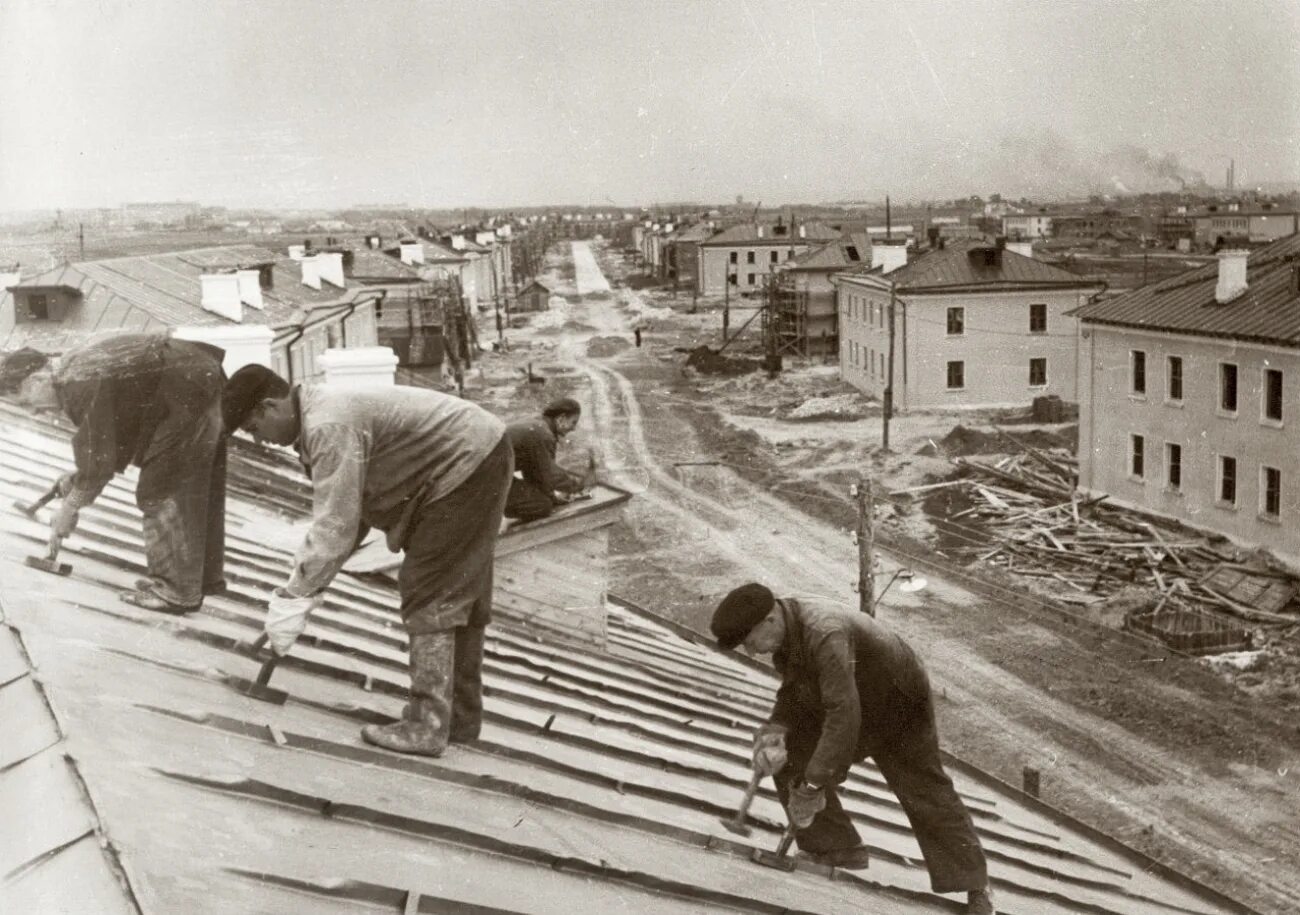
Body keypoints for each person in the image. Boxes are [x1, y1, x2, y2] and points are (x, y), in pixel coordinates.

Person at [223, 364, 512, 757]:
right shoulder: (322, 414)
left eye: (254, 429)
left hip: (466, 462)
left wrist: (293, 596)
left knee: (431, 589)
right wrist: (305, 592)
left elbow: (336, 524)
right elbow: (353, 518)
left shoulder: (327, 425)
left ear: (270, 406)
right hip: (480, 453)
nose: (259, 442)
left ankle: (427, 727)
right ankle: (459, 719)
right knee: (461, 588)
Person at [711, 584, 994, 915]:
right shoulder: (787, 630)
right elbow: (795, 689)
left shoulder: (824, 632)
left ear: (770, 620)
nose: (750, 651)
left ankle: (977, 885)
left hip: (898, 699)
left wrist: (813, 786)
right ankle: (835, 847)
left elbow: (843, 717)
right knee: (788, 751)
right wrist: (775, 731)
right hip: (850, 694)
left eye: (749, 641)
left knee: (923, 789)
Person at [1, 335, 228, 613]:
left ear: (36, 380)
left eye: (26, 402)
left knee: (161, 488)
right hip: (193, 374)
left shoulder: (76, 383)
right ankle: (191, 585)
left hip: (186, 383)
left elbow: (100, 456)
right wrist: (78, 480)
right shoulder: (73, 369)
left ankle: (176, 592)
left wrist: (71, 506)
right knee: (185, 484)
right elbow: (115, 439)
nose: (34, 413)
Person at [503, 397, 594, 523]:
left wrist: (552, 497)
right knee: (541, 505)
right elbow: (549, 475)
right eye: (573, 422)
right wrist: (579, 485)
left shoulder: (539, 425)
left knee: (543, 501)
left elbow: (536, 473)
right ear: (561, 418)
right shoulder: (543, 434)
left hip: (492, 471)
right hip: (489, 476)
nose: (574, 429)